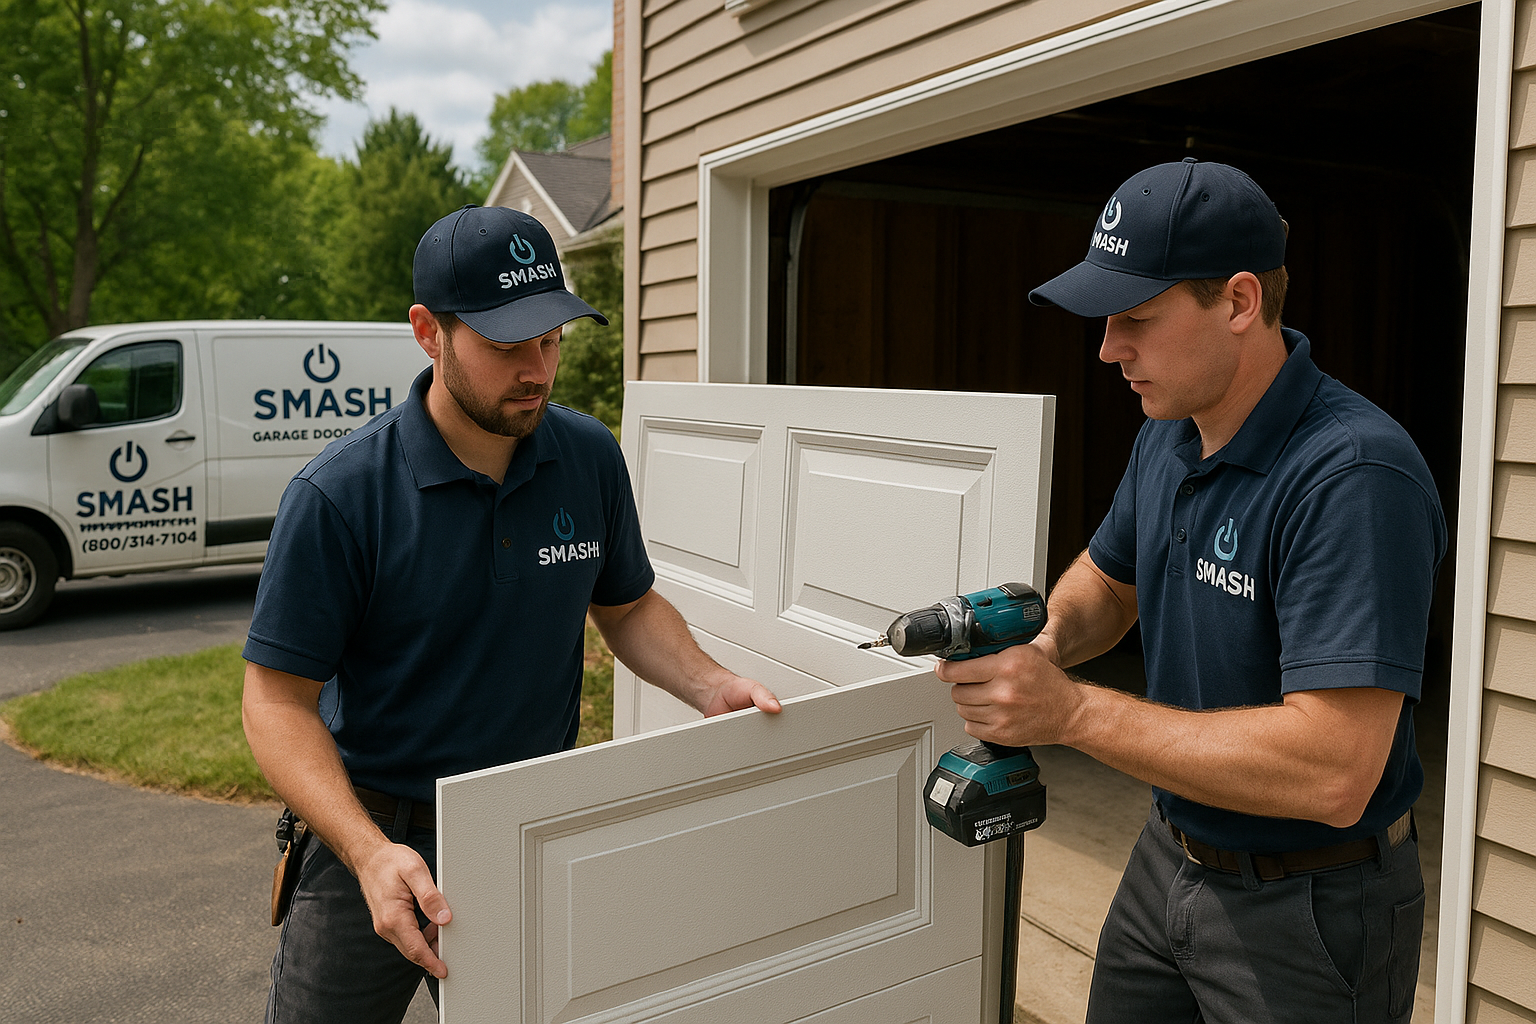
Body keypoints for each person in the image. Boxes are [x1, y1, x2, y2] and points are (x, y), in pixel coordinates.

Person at [241, 204, 782, 1024]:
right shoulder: (340, 496)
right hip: (380, 838)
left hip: (530, 823)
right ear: (429, 331)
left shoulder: (587, 456)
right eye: (505, 346)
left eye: (553, 338)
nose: (537, 368)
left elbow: (627, 604)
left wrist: (710, 686)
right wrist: (365, 851)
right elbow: (275, 702)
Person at [938, 159, 1445, 1023]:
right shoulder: (1169, 434)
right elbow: (1109, 579)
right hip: (1167, 859)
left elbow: (1335, 771)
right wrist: (1050, 641)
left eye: (1136, 317)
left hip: (1312, 911)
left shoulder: (1353, 475)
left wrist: (1070, 713)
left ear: (1240, 302)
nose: (1108, 349)